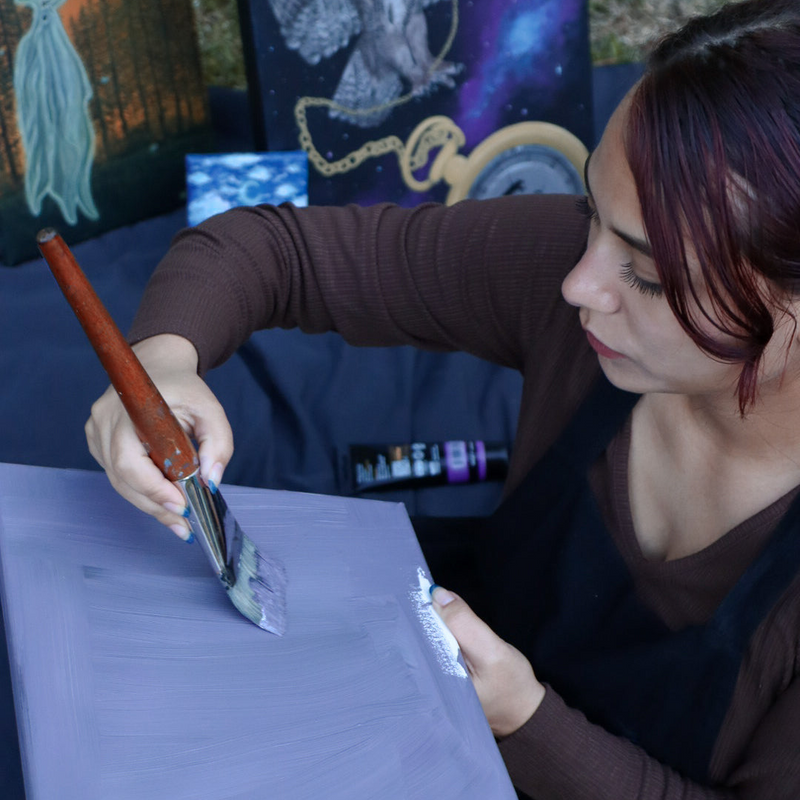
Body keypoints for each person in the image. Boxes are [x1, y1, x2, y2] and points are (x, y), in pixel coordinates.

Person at [86, 0, 800, 796]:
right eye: (592, 213)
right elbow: (272, 250)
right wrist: (161, 363)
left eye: (649, 275)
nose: (578, 284)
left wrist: (526, 722)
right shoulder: (569, 278)